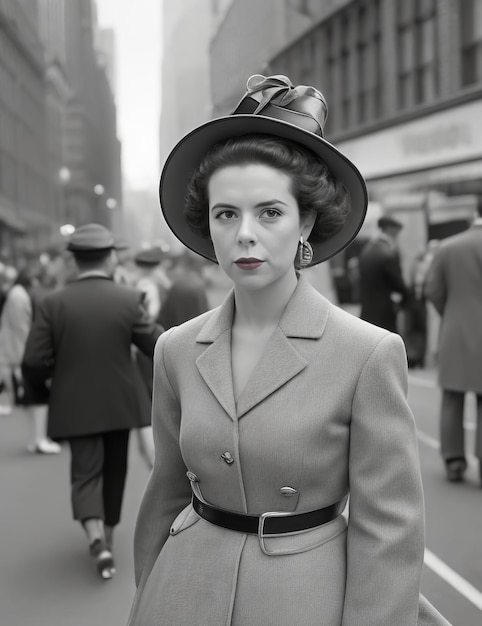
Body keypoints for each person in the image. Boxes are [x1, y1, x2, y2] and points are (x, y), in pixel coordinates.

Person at [127, 74, 450, 625]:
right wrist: (148, 600)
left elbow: (389, 531)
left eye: (269, 212)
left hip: (308, 600)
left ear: (306, 222)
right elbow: (165, 495)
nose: (244, 234)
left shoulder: (367, 353)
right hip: (182, 596)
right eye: (225, 213)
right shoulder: (175, 350)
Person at [22, 224, 162, 580]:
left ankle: (95, 538)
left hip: (73, 404)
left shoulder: (52, 302)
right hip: (119, 402)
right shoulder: (128, 299)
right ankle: (109, 537)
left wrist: (55, 383)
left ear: (74, 260)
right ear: (111, 256)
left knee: (85, 473)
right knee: (116, 471)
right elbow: (156, 345)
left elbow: (34, 362)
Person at [424, 204, 482, 485]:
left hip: (456, 329)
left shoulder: (448, 247)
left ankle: (454, 461)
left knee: (452, 397)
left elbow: (432, 289)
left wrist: (452, 312)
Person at [0, 267, 61, 452]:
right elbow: (21, 329)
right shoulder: (20, 297)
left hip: (16, 350)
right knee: (35, 396)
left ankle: (37, 438)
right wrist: (30, 353)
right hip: (21, 352)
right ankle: (39, 438)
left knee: (30, 397)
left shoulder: (17, 294)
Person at [358, 214, 409, 332]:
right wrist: (406, 301)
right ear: (392, 229)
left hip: (367, 309)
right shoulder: (388, 253)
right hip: (385, 312)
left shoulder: (367, 249)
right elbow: (399, 284)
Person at [157, 251, 210, 330]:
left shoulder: (178, 285)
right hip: (196, 332)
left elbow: (164, 317)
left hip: (175, 333)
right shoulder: (198, 285)